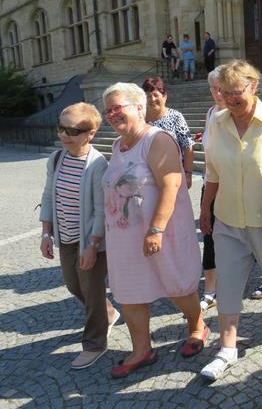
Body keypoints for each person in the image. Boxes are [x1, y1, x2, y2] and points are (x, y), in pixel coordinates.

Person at [199, 60, 262, 381]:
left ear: (253, 87)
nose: (230, 98)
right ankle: (227, 348)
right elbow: (213, 170)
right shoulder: (217, 122)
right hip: (228, 218)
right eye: (223, 92)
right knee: (228, 282)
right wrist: (205, 209)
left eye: (236, 92)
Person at [101, 83, 206, 378]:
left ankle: (197, 324)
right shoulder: (116, 145)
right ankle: (141, 349)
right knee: (130, 292)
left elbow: (172, 184)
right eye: (108, 110)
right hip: (124, 238)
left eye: (117, 107)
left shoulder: (156, 140)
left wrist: (156, 228)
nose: (112, 114)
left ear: (138, 106)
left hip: (160, 233)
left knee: (177, 285)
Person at [39, 102, 119, 370]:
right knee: (74, 286)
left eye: (72, 131)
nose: (64, 135)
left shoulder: (97, 164)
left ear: (90, 133)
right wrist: (46, 233)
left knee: (92, 291)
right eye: (61, 128)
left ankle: (95, 343)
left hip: (91, 242)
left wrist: (93, 245)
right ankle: (108, 313)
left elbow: (100, 210)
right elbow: (49, 195)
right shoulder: (56, 158)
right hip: (66, 238)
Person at [194, 66, 227, 312]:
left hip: (235, 185)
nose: (217, 94)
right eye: (213, 89)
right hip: (211, 184)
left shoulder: (239, 114)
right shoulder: (210, 112)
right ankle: (210, 290)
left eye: (221, 89)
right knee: (209, 235)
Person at [142, 77, 195, 189]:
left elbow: (188, 147)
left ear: (164, 96)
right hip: (146, 179)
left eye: (156, 95)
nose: (152, 99)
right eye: (148, 96)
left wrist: (188, 174)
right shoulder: (141, 120)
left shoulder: (175, 117)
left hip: (172, 176)